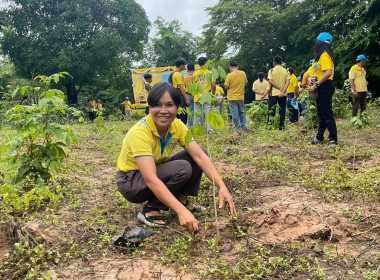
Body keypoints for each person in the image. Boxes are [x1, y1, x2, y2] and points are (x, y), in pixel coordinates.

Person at [116, 82, 237, 232]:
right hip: (131, 182)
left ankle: (179, 198)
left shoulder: (177, 125)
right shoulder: (140, 132)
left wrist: (222, 187)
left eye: (169, 105)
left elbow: (199, 157)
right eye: (157, 105)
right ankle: (151, 208)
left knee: (199, 151)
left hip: (153, 171)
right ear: (150, 107)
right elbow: (151, 179)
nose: (163, 111)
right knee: (182, 168)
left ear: (178, 107)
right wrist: (181, 212)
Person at [307, 32, 338, 148]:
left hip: (325, 86)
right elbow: (311, 71)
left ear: (320, 43)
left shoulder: (325, 55)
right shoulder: (318, 59)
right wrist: (310, 78)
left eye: (317, 42)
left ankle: (333, 139)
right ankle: (319, 137)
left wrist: (316, 85)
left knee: (326, 113)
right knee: (321, 113)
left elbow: (328, 73)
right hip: (320, 86)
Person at [267, 56, 290, 130]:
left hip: (274, 93)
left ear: (274, 63)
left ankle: (270, 126)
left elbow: (270, 81)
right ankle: (281, 126)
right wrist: (283, 91)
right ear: (281, 62)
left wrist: (279, 88)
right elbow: (288, 82)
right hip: (283, 94)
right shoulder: (286, 71)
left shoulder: (271, 70)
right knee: (282, 109)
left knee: (271, 110)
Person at [193, 57, 216, 133]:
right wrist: (212, 95)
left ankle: (196, 130)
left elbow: (193, 86)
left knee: (197, 114)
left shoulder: (195, 74)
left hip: (197, 97)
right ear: (205, 63)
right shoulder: (209, 73)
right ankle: (210, 130)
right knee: (208, 113)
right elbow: (213, 85)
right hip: (207, 97)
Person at [224, 61, 248, 131]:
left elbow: (226, 87)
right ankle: (244, 127)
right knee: (241, 112)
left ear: (231, 68)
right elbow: (246, 83)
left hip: (232, 98)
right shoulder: (243, 73)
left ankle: (237, 128)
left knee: (234, 113)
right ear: (237, 67)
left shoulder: (229, 75)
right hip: (241, 97)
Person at [170, 59, 191, 125]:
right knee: (183, 113)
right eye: (184, 65)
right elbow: (181, 88)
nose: (184, 66)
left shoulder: (172, 74)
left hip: (173, 95)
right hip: (179, 95)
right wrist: (186, 99)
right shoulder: (178, 74)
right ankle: (183, 129)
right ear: (181, 65)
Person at [184, 63, 195, 127]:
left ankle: (190, 126)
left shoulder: (185, 78)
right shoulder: (196, 76)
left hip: (188, 95)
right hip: (196, 96)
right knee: (198, 111)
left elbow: (184, 87)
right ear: (194, 69)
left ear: (187, 69)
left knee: (190, 112)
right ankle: (198, 125)